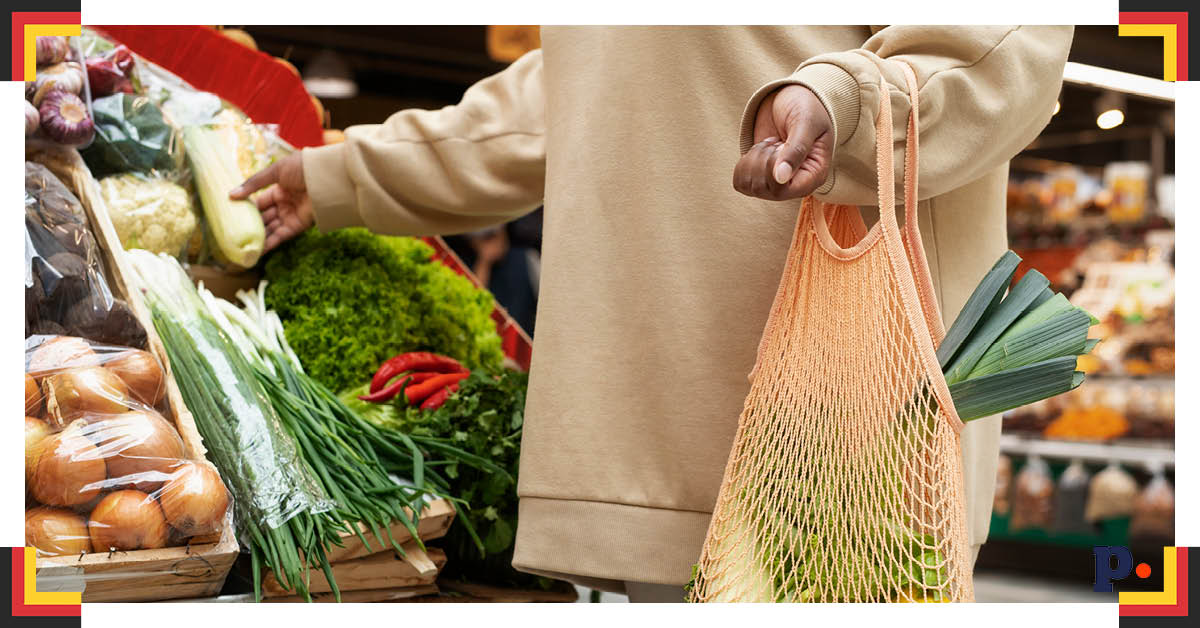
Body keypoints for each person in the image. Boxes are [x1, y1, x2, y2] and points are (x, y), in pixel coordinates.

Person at [231, 26, 1074, 602]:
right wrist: (343, 175)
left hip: (849, 421)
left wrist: (848, 99)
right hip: (648, 419)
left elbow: (1009, 45)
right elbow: (564, 90)